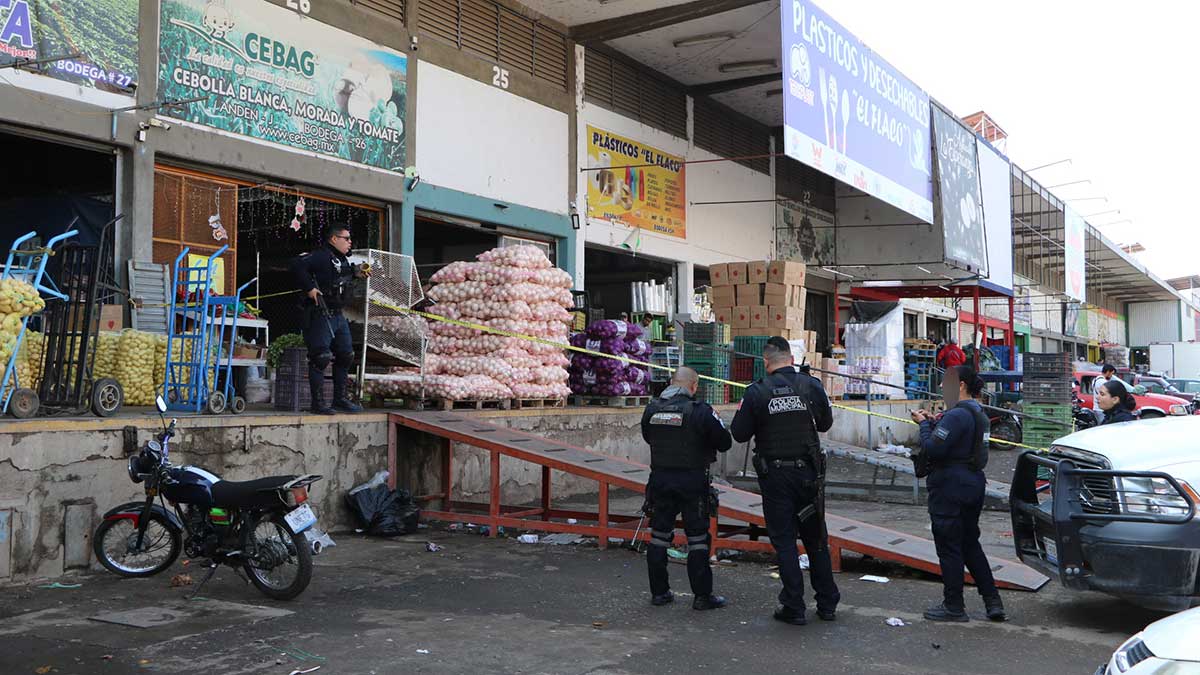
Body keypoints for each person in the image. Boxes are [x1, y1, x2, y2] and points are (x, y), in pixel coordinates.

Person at [730, 336, 839, 625]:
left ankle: (794, 606)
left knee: (785, 541)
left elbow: (739, 433)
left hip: (776, 476)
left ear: (766, 361)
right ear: (791, 358)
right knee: (816, 540)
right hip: (808, 475)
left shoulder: (757, 391)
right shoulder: (811, 385)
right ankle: (827, 604)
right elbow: (826, 424)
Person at [910, 365, 1006, 623]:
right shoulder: (978, 413)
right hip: (973, 483)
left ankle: (954, 606)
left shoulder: (956, 415)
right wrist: (934, 423)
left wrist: (922, 425)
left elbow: (933, 449)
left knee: (949, 547)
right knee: (970, 544)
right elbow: (959, 441)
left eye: (946, 383)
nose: (942, 387)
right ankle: (993, 602)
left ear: (961, 385)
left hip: (950, 486)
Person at [640, 366, 733, 610]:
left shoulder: (652, 409)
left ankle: (659, 593)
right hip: (692, 481)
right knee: (698, 539)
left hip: (660, 479)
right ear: (693, 386)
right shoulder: (700, 411)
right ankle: (702, 596)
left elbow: (648, 437)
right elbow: (724, 442)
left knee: (659, 536)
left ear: (672, 383)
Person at [290, 223, 368, 414]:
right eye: (346, 238)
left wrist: (358, 273)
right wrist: (310, 288)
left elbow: (341, 278)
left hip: (339, 315)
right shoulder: (321, 256)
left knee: (346, 355)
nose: (350, 242)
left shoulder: (343, 260)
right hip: (319, 314)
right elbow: (296, 264)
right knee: (321, 357)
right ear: (334, 239)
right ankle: (318, 404)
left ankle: (339, 400)